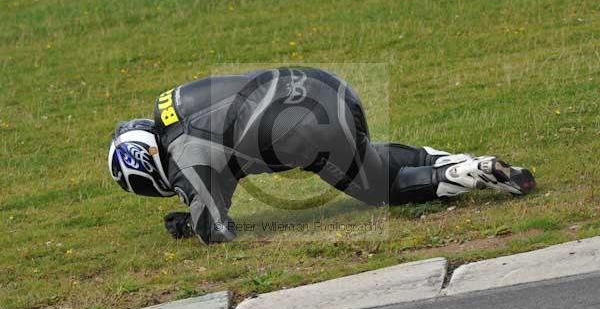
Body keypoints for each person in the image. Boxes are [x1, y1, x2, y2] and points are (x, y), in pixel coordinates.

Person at [108, 67, 535, 244]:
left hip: (310, 129)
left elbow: (216, 232)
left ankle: (472, 173)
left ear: (146, 171)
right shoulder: (174, 104)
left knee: (379, 190)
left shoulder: (182, 156)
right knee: (369, 160)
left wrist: (191, 222)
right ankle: (460, 159)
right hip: (325, 87)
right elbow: (223, 158)